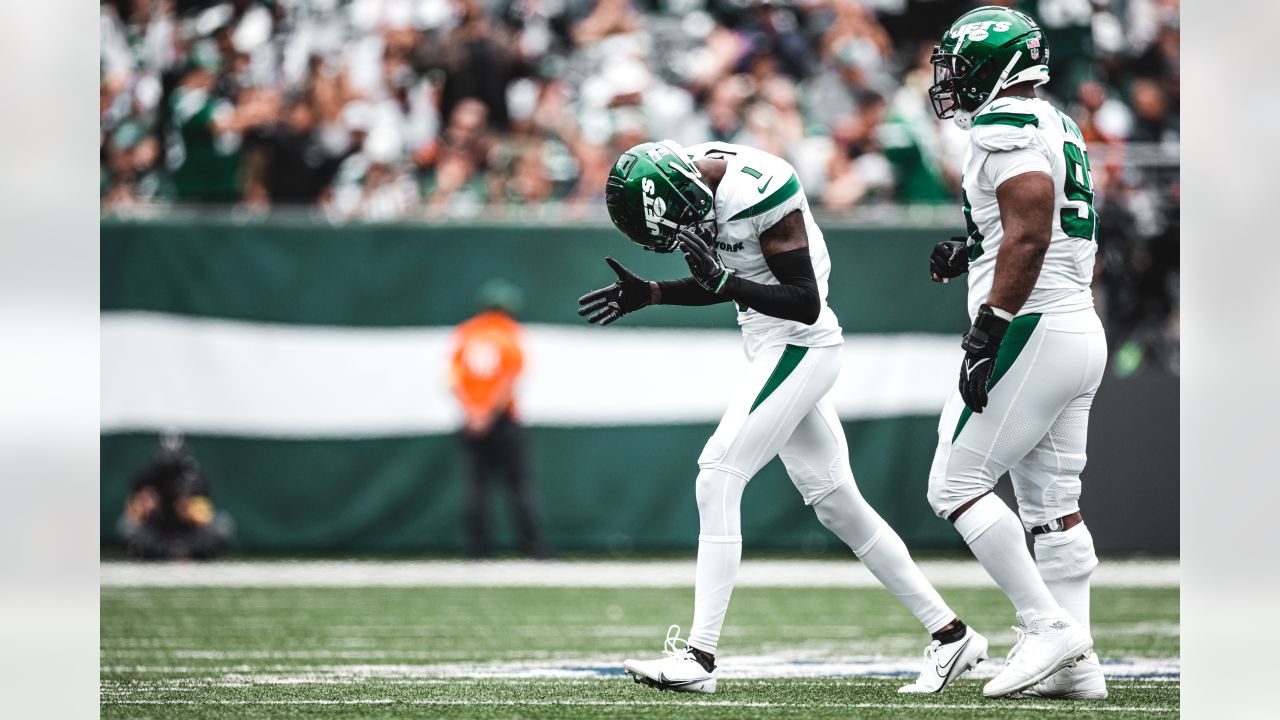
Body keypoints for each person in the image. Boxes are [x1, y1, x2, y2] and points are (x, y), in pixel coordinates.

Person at [578, 140, 987, 694]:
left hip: (802, 344)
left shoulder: (759, 189)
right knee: (841, 506)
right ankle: (951, 634)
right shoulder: (685, 183)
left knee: (717, 474)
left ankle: (699, 659)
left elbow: (803, 300)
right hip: (771, 344)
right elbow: (727, 283)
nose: (681, 234)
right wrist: (652, 293)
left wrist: (720, 284)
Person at [924, 6, 1106, 700]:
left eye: (963, 65)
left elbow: (1028, 233)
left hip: (1032, 327)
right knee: (1053, 509)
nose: (955, 80)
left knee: (954, 484)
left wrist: (986, 332)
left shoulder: (1004, 124)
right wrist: (970, 244)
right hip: (1074, 326)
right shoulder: (1055, 119)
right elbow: (1030, 225)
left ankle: (1047, 627)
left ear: (1001, 64)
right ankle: (1078, 668)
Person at [449, 280, 548, 559]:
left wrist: (473, 412)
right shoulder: (510, 335)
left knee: (477, 488)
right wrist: (489, 414)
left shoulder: (465, 334)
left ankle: (479, 550)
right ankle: (534, 548)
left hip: (471, 421)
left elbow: (453, 380)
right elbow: (509, 381)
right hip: (504, 421)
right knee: (519, 487)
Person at [117, 432, 234, 560]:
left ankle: (189, 553)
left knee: (223, 526)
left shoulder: (196, 479)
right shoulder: (147, 479)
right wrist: (146, 508)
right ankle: (158, 553)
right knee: (126, 528)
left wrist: (191, 512)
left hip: (189, 533)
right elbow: (132, 516)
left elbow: (207, 517)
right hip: (158, 533)